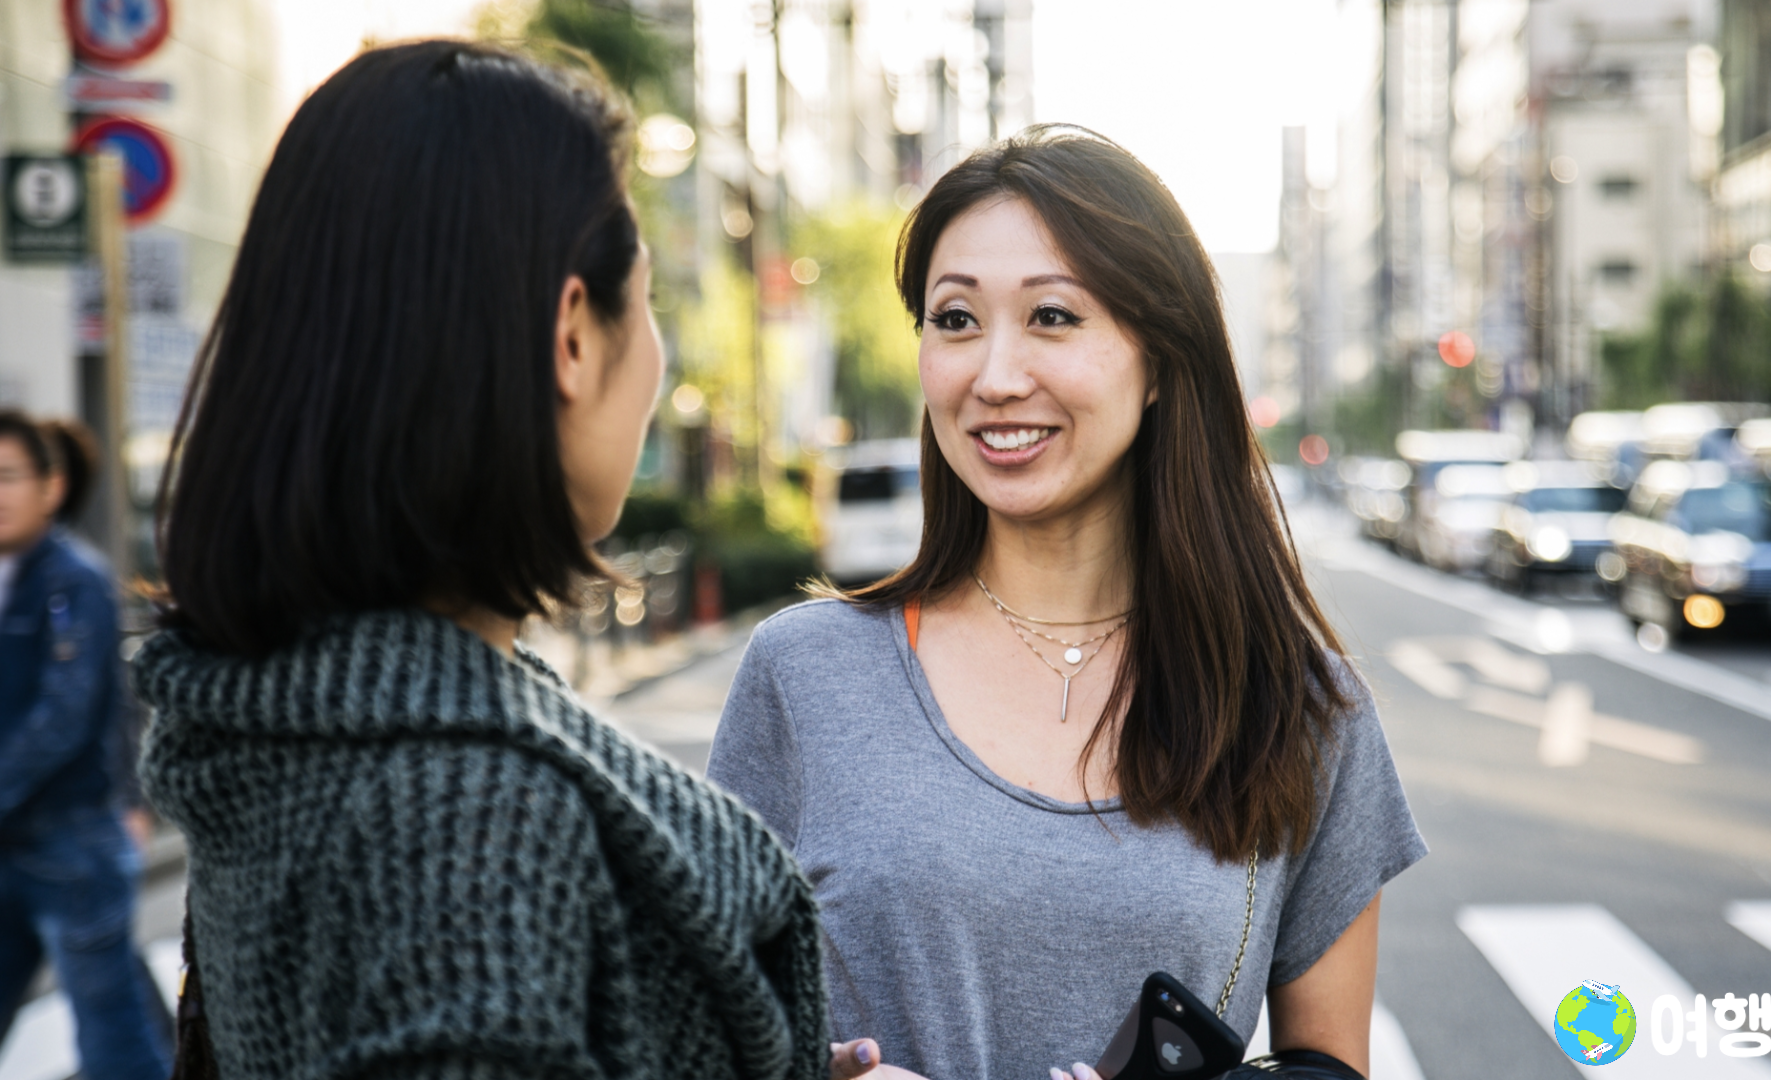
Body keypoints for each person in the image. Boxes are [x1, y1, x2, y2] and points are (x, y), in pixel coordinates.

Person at [134, 40, 885, 1080]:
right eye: (650, 299)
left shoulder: (282, 720)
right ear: (571, 335)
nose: (658, 359)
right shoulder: (467, 827)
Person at [706, 126, 1427, 1080]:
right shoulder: (804, 673)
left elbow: (1332, 1065)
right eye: (954, 320)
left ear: (1163, 361)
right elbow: (701, 1022)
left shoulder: (1294, 707)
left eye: (1052, 316)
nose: (996, 377)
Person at [0, 410, 171, 1080]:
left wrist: (132, 799)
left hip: (71, 844)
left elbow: (67, 719)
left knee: (114, 1040)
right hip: (14, 842)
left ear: (53, 485)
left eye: (9, 476)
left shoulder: (75, 580)